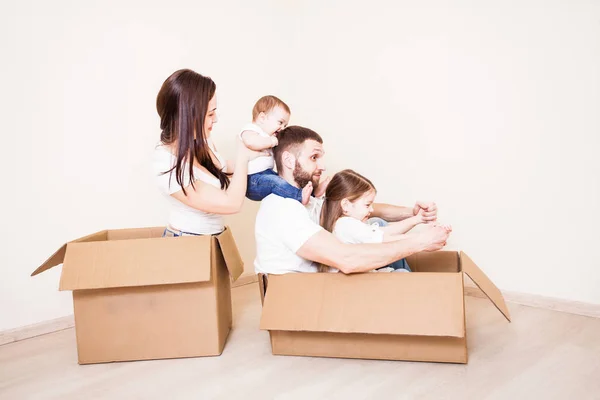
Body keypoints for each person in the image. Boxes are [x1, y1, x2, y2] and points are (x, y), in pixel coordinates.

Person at [254, 125, 451, 274]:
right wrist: (421, 241)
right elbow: (346, 259)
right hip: (307, 296)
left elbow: (364, 207)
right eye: (314, 157)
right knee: (394, 272)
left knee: (376, 222)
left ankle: (414, 291)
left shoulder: (308, 201)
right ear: (289, 160)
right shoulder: (282, 209)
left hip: (326, 280)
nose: (322, 166)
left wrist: (413, 213)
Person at [153, 69, 264, 236]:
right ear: (189, 116)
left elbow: (224, 169)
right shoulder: (165, 164)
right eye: (210, 114)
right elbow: (231, 203)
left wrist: (264, 156)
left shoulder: (201, 140)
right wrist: (243, 155)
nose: (216, 119)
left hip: (215, 237)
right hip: (188, 244)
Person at [320, 169, 451, 273]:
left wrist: (417, 219)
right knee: (401, 274)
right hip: (358, 284)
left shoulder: (346, 224)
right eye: (367, 205)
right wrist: (423, 238)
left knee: (399, 271)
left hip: (363, 277)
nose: (371, 209)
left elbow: (384, 233)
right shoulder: (346, 225)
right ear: (346, 205)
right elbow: (386, 239)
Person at [240, 95, 326, 205]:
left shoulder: (266, 135)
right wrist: (272, 141)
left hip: (265, 174)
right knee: (277, 182)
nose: (282, 128)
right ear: (262, 118)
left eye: (285, 125)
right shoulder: (250, 129)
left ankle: (313, 194)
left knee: (284, 183)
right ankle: (299, 196)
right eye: (280, 122)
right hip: (252, 180)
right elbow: (250, 141)